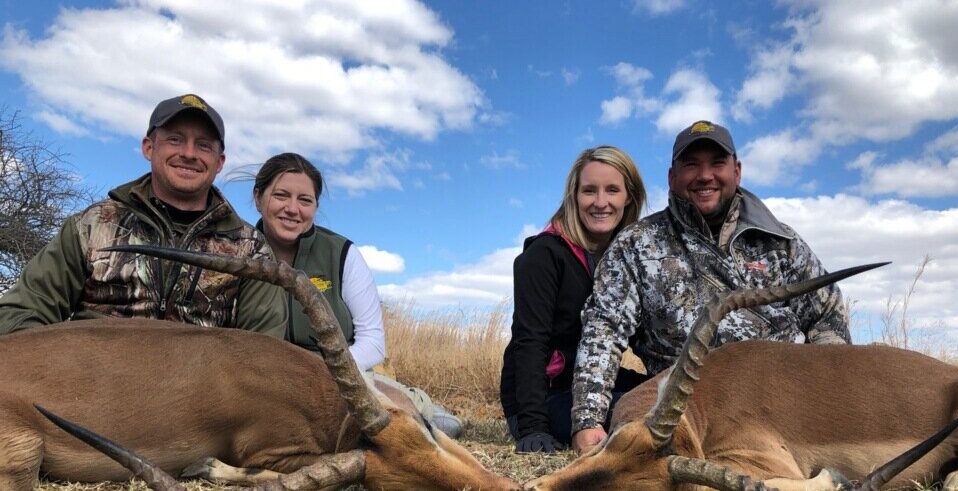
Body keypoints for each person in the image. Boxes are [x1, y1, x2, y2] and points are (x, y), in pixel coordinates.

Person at [571, 120, 851, 452]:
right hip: (692, 413)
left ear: (737, 171)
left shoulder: (781, 241)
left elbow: (827, 313)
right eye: (691, 165)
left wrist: (825, 391)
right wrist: (587, 421)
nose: (705, 176)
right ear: (672, 177)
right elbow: (603, 330)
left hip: (784, 405)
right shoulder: (636, 245)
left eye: (717, 164)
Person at [0, 94, 284, 336]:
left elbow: (263, 353)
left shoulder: (251, 249)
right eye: (175, 139)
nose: (188, 153)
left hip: (203, 394)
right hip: (89, 385)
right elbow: (20, 313)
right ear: (149, 148)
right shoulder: (91, 226)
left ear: (219, 162)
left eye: (204, 145)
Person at [251, 152, 463, 438]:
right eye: (281, 196)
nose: (292, 209)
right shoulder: (237, 251)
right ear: (258, 198)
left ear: (315, 206)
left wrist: (319, 369)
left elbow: (373, 343)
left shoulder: (341, 254)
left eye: (305, 200)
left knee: (404, 430)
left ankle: (421, 407)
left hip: (337, 373)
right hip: (262, 379)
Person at [500, 146, 650, 454]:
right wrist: (532, 427)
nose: (600, 202)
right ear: (574, 196)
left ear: (629, 197)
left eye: (612, 190)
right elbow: (530, 342)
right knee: (639, 416)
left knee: (669, 397)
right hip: (548, 396)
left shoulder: (624, 260)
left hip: (592, 382)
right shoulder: (544, 255)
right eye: (589, 191)